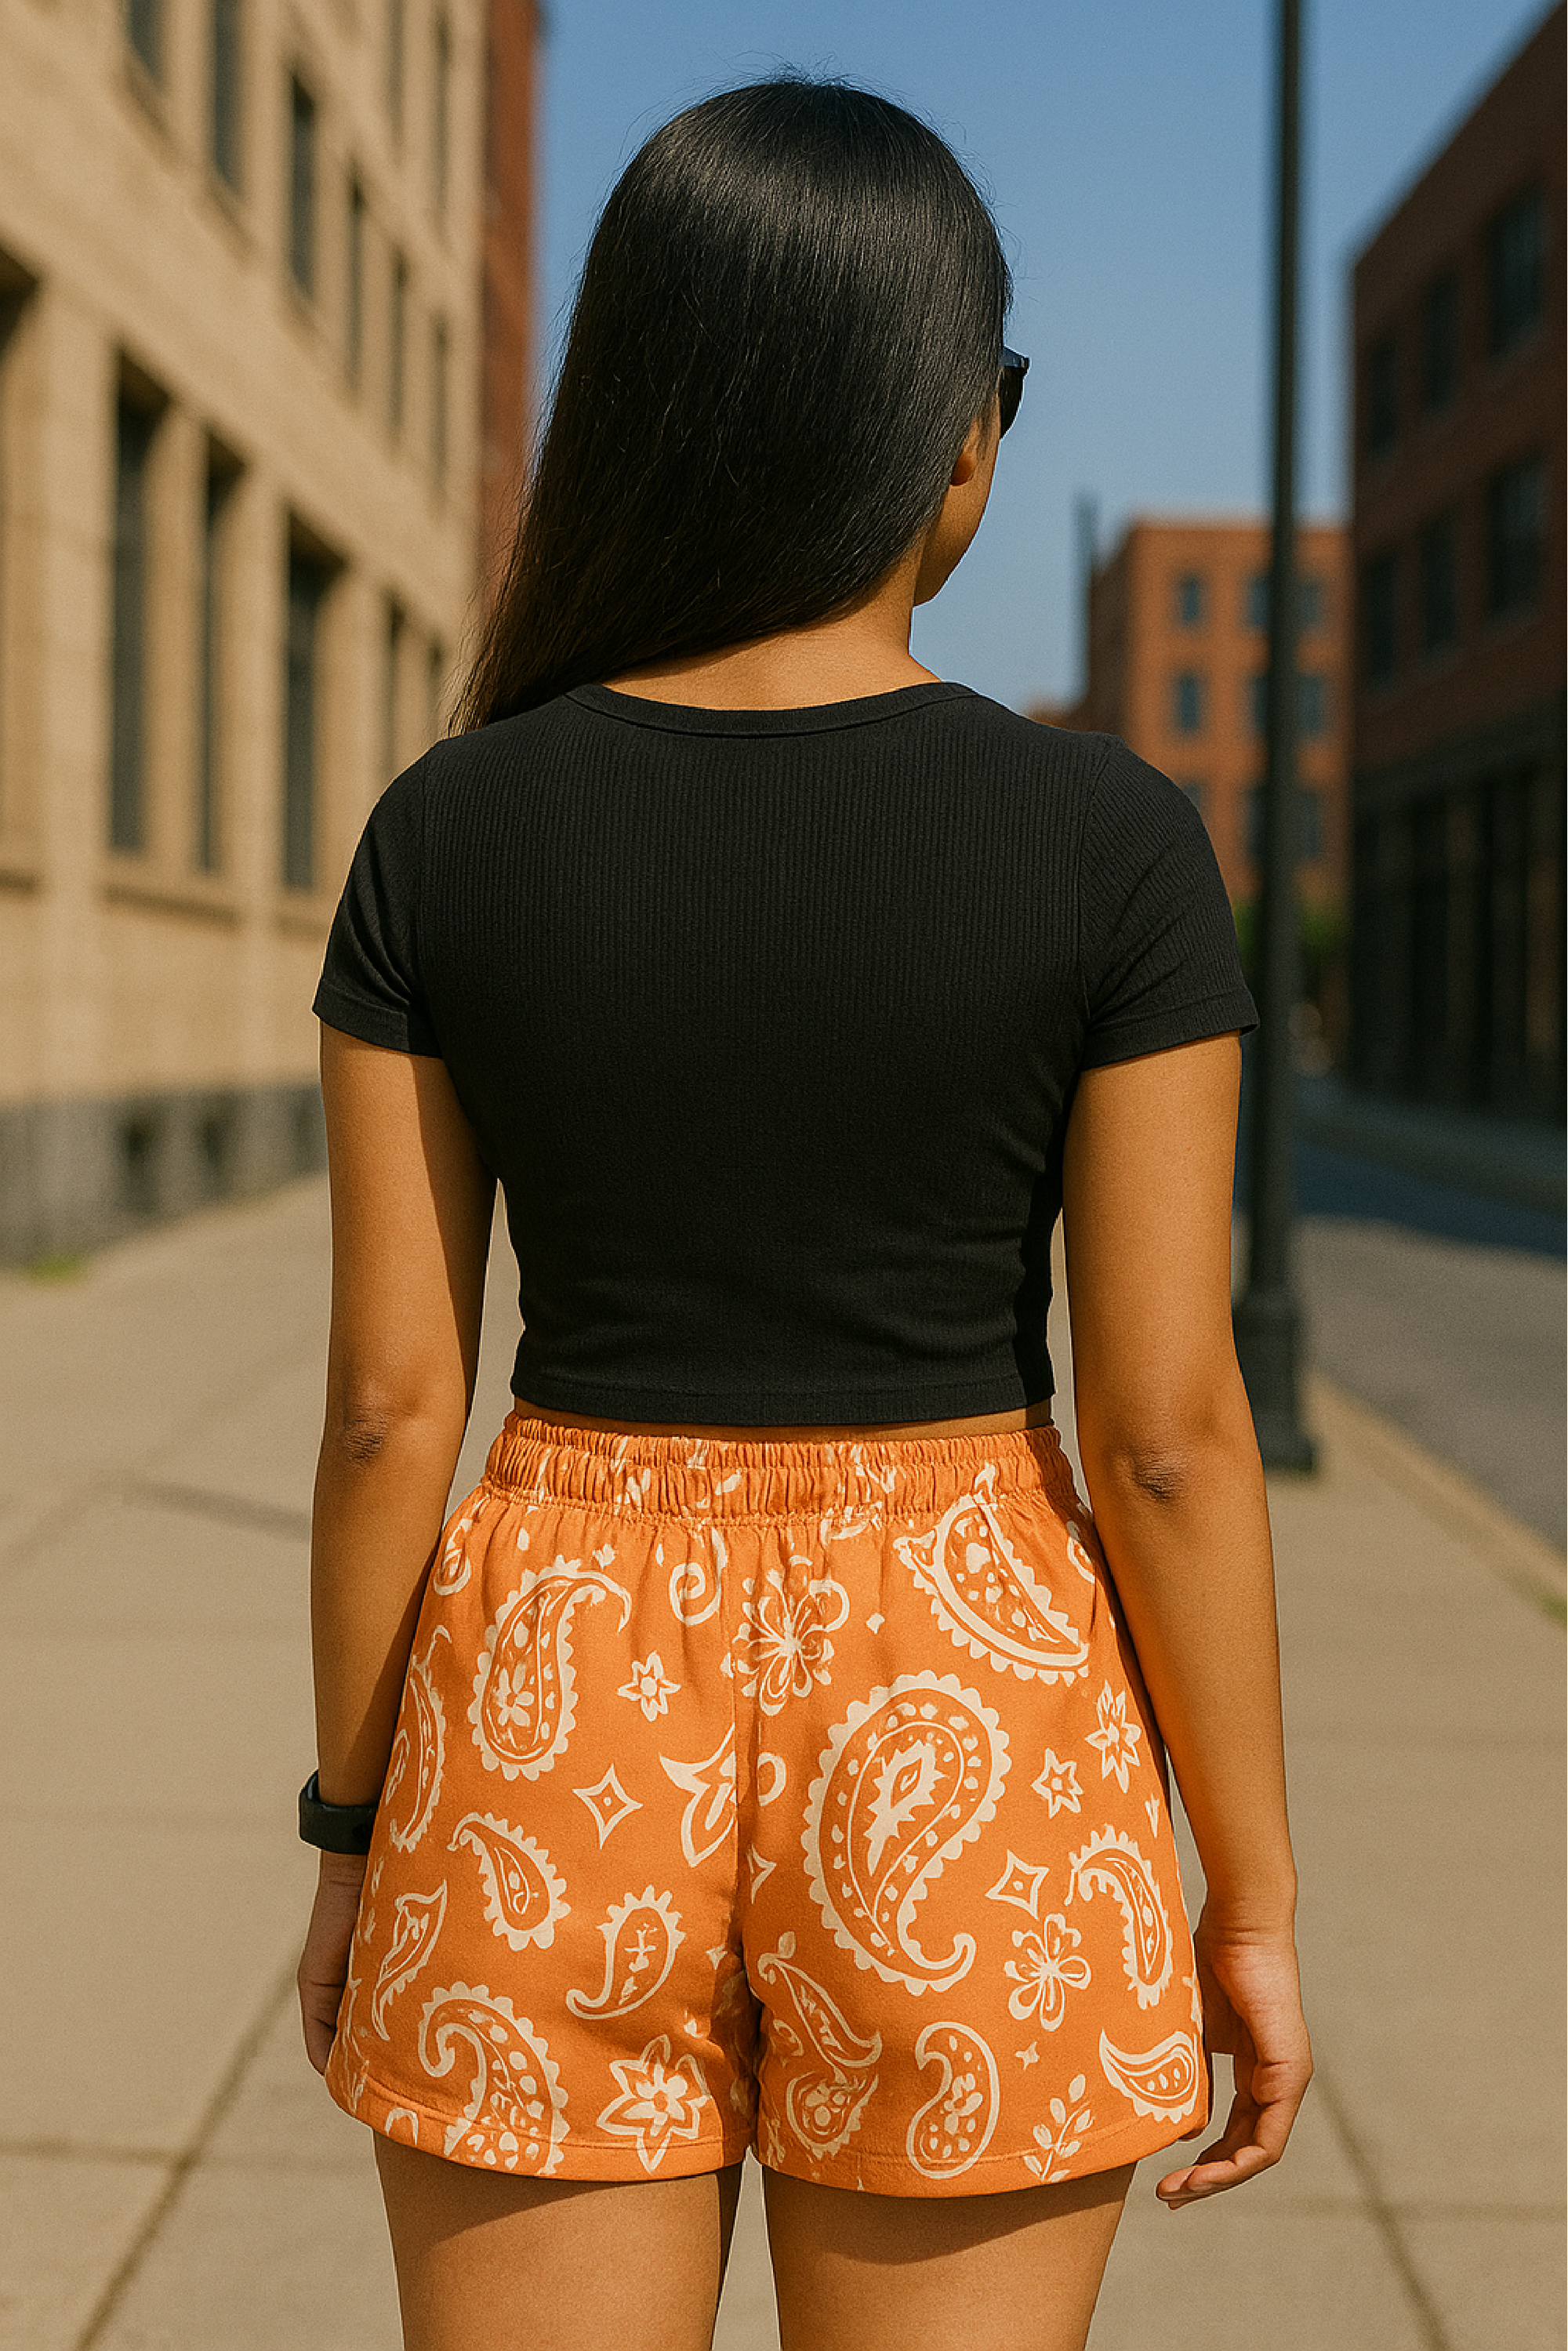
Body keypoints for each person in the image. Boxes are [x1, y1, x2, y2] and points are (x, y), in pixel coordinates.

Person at [296, 77, 1311, 2351]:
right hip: (982, 1689)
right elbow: (1168, 1427)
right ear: (951, 436)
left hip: (547, 1697)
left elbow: (388, 1401)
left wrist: (351, 1828)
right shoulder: (1113, 844)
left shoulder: (448, 834)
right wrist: (1246, 1888)